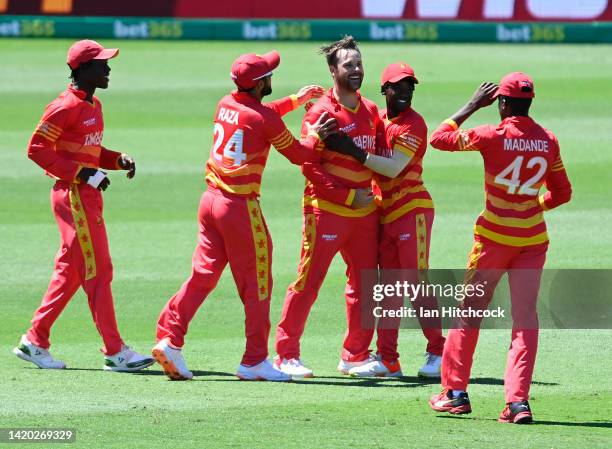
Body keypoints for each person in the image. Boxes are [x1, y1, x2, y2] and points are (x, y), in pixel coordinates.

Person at [153, 50, 337, 381]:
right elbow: (299, 154)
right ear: (260, 83)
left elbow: (262, 116)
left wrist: (296, 100)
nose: (271, 76)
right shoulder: (262, 119)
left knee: (203, 276)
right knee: (257, 284)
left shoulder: (226, 103)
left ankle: (170, 338)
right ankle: (254, 360)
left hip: (210, 201)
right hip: (239, 208)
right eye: (268, 74)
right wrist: (316, 135)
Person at [427, 73, 572, 423]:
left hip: (493, 241)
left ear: (502, 104)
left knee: (469, 313)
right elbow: (563, 193)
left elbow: (438, 139)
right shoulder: (548, 141)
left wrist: (473, 105)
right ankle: (518, 403)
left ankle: (455, 393)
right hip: (532, 243)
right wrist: (533, 204)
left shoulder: (491, 135)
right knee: (525, 320)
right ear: (530, 103)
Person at [13, 39, 154, 372]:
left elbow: (91, 150)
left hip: (85, 195)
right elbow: (36, 149)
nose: (108, 69)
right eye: (102, 64)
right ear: (83, 69)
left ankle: (34, 341)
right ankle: (116, 352)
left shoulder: (93, 104)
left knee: (72, 272)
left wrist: (116, 160)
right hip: (74, 197)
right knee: (99, 271)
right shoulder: (64, 106)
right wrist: (82, 173)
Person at [274, 36, 382, 378]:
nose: (356, 70)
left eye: (359, 63)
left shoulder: (370, 110)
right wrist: (348, 197)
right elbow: (309, 166)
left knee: (364, 284)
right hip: (327, 211)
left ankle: (355, 355)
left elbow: (375, 159)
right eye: (348, 64)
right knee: (309, 280)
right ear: (333, 70)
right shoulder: (320, 112)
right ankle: (286, 355)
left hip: (364, 215)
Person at [333, 62, 446, 378]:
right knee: (389, 289)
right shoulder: (376, 119)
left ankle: (439, 351)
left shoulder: (414, 124)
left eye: (410, 86)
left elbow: (394, 167)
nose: (405, 92)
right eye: (398, 86)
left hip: (412, 210)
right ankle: (388, 359)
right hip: (386, 213)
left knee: (414, 281)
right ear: (385, 90)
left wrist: (353, 152)